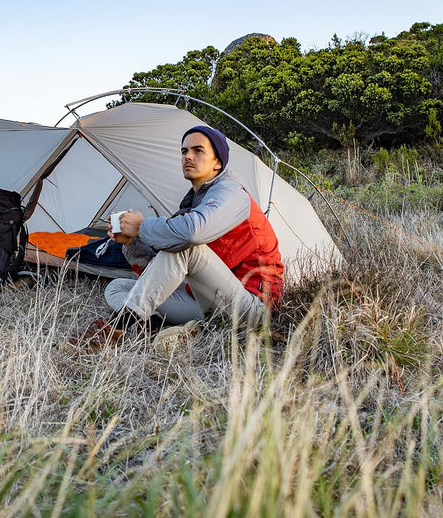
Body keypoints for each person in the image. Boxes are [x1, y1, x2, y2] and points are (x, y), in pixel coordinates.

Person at [67, 125, 284, 352]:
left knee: (187, 248)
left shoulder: (231, 193)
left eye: (198, 150)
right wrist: (131, 243)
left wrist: (141, 226)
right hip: (208, 299)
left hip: (252, 307)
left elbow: (192, 234)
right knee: (117, 287)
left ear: (217, 163)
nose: (188, 156)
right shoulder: (194, 202)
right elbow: (161, 272)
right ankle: (165, 327)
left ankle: (115, 329)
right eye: (184, 151)